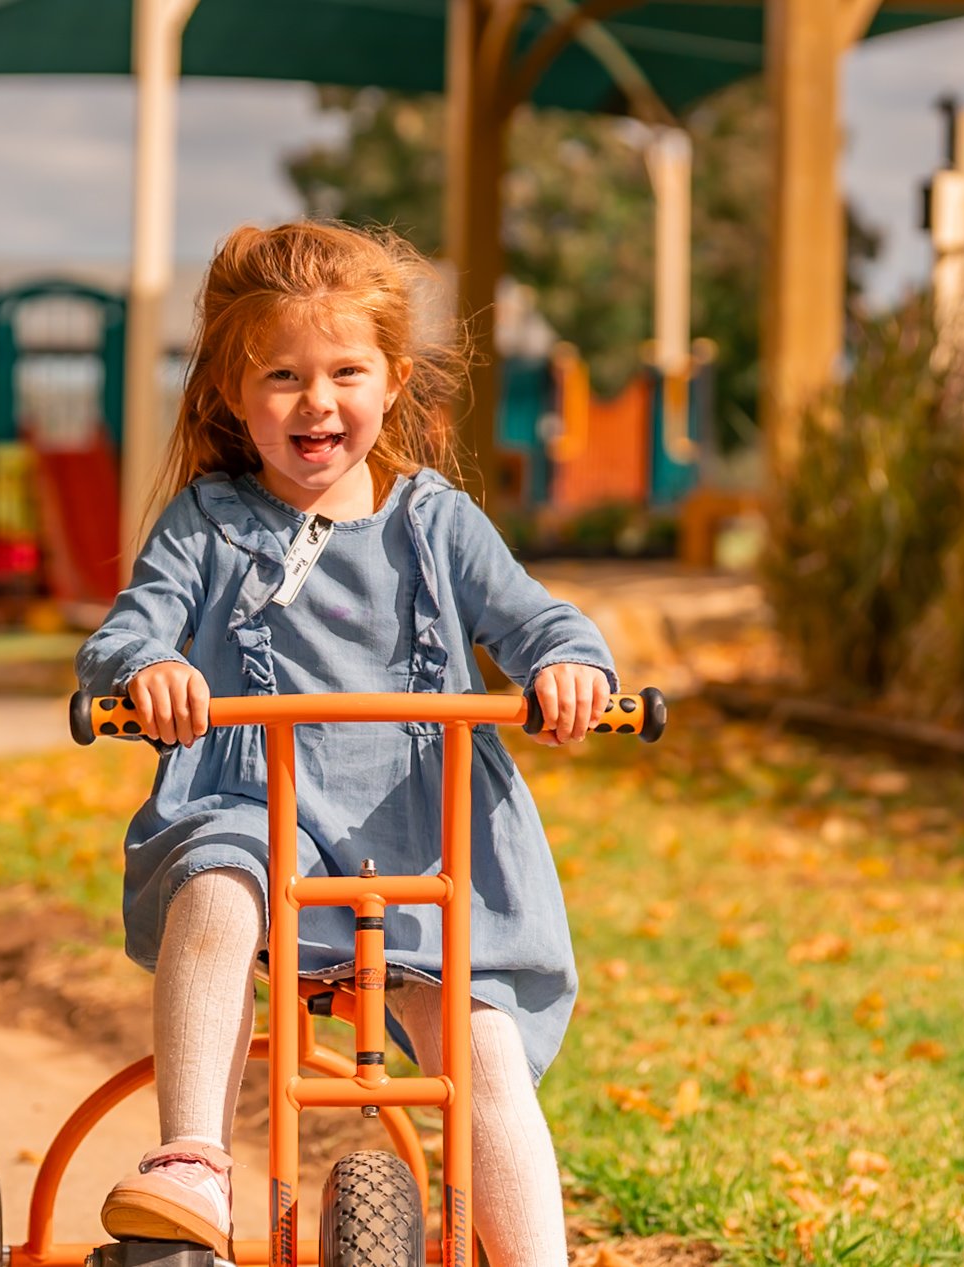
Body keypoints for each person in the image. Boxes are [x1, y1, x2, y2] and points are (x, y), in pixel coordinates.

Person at [75, 222, 619, 1263]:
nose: (315, 401)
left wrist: (572, 668)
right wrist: (149, 668)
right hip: (255, 807)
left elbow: (541, 620)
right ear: (234, 393)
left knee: (480, 1050)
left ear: (393, 379)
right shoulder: (207, 522)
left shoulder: (436, 522)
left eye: (344, 371)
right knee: (217, 886)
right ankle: (191, 1158)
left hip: (421, 841)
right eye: (280, 374)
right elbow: (128, 629)